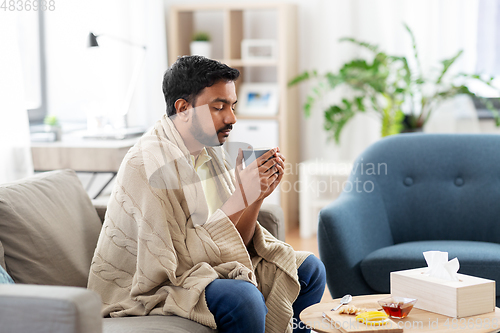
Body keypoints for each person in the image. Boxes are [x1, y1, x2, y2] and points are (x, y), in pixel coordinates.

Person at [88, 55, 326, 333]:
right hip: (157, 286)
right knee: (243, 298)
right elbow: (176, 263)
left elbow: (232, 243)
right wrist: (241, 196)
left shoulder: (211, 151)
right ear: (184, 108)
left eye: (233, 105)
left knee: (310, 270)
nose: (232, 118)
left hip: (206, 268)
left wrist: (255, 196)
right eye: (218, 107)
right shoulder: (146, 163)